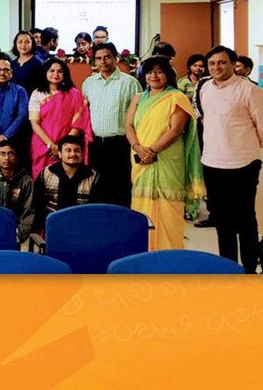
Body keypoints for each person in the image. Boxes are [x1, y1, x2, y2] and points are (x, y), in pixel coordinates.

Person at [125, 56, 204, 251]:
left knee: (168, 210)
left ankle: (169, 254)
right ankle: (144, 253)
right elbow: (128, 126)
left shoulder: (177, 97)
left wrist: (152, 151)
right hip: (140, 159)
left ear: (168, 74)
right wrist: (137, 147)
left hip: (167, 159)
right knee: (141, 209)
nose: (154, 76)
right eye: (150, 72)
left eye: (159, 71)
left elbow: (175, 130)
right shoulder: (138, 98)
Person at [199, 46, 263, 273]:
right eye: (212, 63)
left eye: (222, 62)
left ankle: (249, 270)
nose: (216, 67)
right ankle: (228, 269)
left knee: (245, 219)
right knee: (221, 220)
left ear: (233, 64)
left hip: (243, 164)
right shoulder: (205, 88)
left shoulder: (249, 90)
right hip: (212, 163)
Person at [82, 43, 142, 207]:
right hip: (96, 144)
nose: (103, 61)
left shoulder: (130, 83)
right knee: (97, 189)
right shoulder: (89, 83)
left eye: (107, 57)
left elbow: (139, 114)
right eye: (99, 58)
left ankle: (122, 221)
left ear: (115, 58)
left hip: (120, 144)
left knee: (122, 188)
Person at [29, 58, 92, 180]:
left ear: (65, 74)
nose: (55, 74)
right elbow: (34, 123)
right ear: (45, 73)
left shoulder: (74, 94)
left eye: (60, 71)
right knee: (42, 179)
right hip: (42, 144)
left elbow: (79, 123)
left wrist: (62, 147)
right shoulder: (37, 94)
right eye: (52, 71)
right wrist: (51, 145)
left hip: (68, 147)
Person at [33, 135, 101, 232]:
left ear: (82, 153)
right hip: (52, 228)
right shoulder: (47, 173)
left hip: (83, 229)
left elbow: (97, 211)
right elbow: (37, 205)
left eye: (76, 150)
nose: (73, 154)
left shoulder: (93, 177)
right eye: (68, 150)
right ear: (60, 154)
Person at [0, 141, 35, 244]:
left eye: (10, 154)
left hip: (17, 233)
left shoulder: (27, 181)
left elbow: (29, 211)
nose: (7, 158)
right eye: (2, 154)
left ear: (16, 158)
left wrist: (18, 235)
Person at [10, 30, 43, 95]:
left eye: (27, 42)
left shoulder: (39, 63)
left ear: (32, 43)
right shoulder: (12, 64)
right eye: (20, 42)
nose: (23, 45)